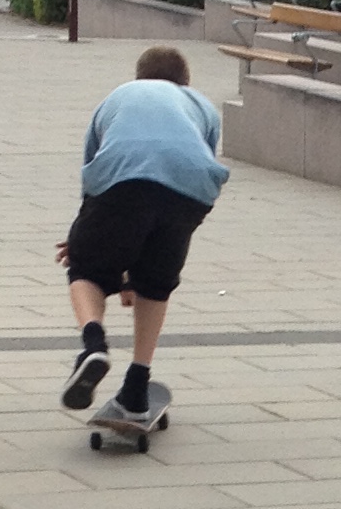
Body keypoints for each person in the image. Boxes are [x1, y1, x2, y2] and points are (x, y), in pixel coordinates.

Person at [56, 44, 229, 417]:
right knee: (156, 282)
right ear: (185, 82)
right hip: (190, 192)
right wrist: (136, 272)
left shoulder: (119, 96)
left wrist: (82, 238)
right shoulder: (200, 104)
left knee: (87, 270)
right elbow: (200, 164)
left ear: (139, 78)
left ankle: (93, 344)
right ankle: (137, 386)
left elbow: (94, 173)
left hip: (122, 182)